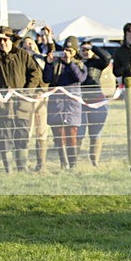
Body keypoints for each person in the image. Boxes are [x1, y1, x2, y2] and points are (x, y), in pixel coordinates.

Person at [0, 26, 43, 172]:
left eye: (4, 39)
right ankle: (9, 169)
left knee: (22, 135)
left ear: (11, 40)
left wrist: (28, 91)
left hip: (21, 104)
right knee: (3, 137)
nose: (2, 42)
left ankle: (22, 168)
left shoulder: (22, 54)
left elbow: (35, 73)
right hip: (2, 104)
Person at [43, 36, 87, 170]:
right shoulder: (57, 64)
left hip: (72, 104)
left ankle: (72, 164)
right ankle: (63, 163)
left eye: (70, 50)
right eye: (65, 50)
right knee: (58, 135)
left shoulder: (79, 64)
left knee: (71, 134)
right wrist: (49, 63)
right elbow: (47, 79)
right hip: (56, 103)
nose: (67, 53)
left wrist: (69, 63)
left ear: (75, 51)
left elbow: (79, 78)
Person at [77, 41, 113, 166]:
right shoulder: (76, 63)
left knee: (95, 134)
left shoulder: (98, 63)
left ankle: (94, 162)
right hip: (79, 102)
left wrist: (93, 47)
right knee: (78, 134)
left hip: (96, 101)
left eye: (88, 50)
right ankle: (73, 162)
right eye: (83, 50)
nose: (86, 52)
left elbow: (107, 57)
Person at [19, 36, 49, 171]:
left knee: (42, 130)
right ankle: (23, 164)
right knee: (27, 130)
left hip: (42, 96)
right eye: (25, 46)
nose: (28, 47)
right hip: (27, 97)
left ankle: (40, 164)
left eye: (30, 44)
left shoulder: (41, 58)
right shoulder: (21, 60)